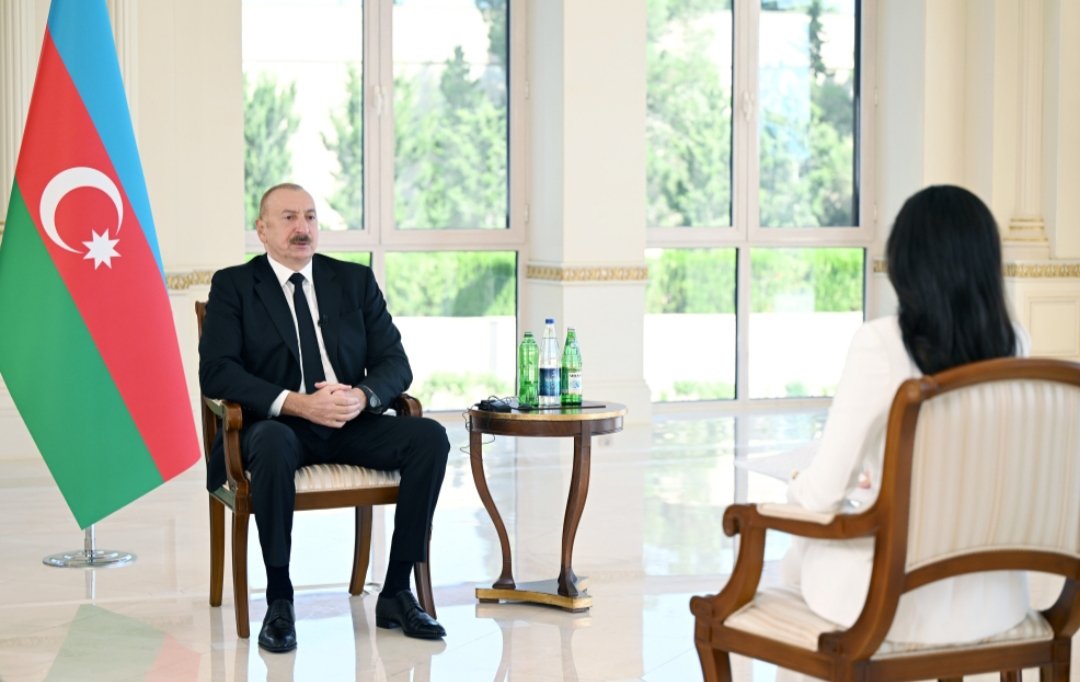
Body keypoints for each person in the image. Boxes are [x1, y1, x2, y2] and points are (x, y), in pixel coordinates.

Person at [199, 182, 450, 653]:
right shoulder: (235, 286)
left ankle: (396, 592)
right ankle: (279, 600)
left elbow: (396, 363)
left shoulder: (353, 281)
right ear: (262, 229)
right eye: (289, 217)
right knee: (272, 442)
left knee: (430, 438)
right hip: (276, 427)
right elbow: (217, 372)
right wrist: (296, 403)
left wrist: (362, 396)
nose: (303, 228)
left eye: (310, 217)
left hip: (349, 422)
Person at [780, 184, 1030, 644]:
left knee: (795, 558)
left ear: (906, 264)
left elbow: (823, 496)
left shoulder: (880, 344)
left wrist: (796, 482)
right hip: (997, 602)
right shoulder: (1016, 342)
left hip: (895, 604)